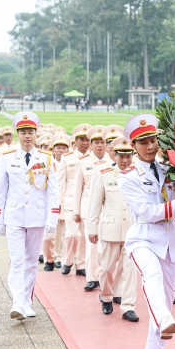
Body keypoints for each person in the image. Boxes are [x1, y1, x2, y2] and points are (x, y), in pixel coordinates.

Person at [119, 114, 175, 349]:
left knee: (162, 297)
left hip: (170, 240)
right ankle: (164, 317)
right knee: (150, 277)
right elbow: (148, 212)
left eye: (153, 141)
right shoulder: (128, 177)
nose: (150, 146)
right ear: (134, 145)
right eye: (143, 142)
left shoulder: (169, 170)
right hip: (143, 238)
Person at [0, 111, 59, 320]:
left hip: (37, 217)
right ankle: (18, 303)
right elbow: (1, 190)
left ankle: (27, 302)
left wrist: (52, 217)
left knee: (31, 262)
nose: (27, 136)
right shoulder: (7, 158)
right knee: (17, 260)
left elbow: (53, 191)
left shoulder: (46, 159)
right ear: (17, 135)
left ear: (36, 134)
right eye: (23, 132)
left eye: (30, 132)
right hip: (14, 217)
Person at [87, 137, 139, 320]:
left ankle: (128, 306)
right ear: (114, 156)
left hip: (133, 231)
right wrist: (91, 228)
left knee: (131, 270)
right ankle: (107, 296)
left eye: (128, 156)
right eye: (121, 156)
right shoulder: (104, 173)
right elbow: (95, 204)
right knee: (107, 268)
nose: (125, 160)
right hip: (111, 229)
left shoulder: (138, 174)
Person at [74, 125, 110, 292]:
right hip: (89, 209)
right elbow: (77, 188)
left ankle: (104, 277)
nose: (100, 145)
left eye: (103, 142)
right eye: (96, 142)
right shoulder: (83, 162)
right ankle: (91, 278)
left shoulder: (112, 161)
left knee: (106, 247)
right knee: (91, 245)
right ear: (90, 144)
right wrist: (76, 211)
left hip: (108, 210)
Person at [57, 124, 92, 277]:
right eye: (81, 140)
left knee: (84, 235)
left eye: (87, 140)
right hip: (70, 202)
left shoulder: (92, 159)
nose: (84, 143)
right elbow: (60, 182)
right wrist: (58, 203)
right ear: (75, 141)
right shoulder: (67, 158)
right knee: (72, 235)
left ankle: (81, 264)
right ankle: (67, 260)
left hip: (86, 203)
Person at [41, 134, 70, 271]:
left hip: (66, 204)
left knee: (65, 236)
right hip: (49, 204)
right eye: (58, 148)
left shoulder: (72, 163)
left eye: (64, 148)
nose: (61, 151)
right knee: (48, 236)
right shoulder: (46, 163)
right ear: (53, 150)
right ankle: (50, 258)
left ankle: (62, 260)